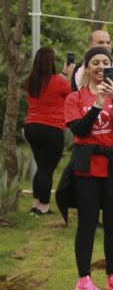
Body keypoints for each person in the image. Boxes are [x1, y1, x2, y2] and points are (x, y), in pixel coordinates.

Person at [57, 47, 113, 290]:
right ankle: (83, 280)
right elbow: (80, 131)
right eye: (95, 62)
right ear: (87, 67)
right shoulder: (75, 98)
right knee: (86, 223)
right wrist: (97, 104)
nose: (99, 66)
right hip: (87, 169)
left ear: (112, 67)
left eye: (105, 62)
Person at [24, 47, 71, 216]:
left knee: (41, 167)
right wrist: (68, 74)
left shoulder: (30, 81)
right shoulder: (58, 81)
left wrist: (63, 76)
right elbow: (72, 94)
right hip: (51, 128)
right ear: (51, 62)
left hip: (31, 127)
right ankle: (43, 206)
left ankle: (36, 204)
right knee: (47, 169)